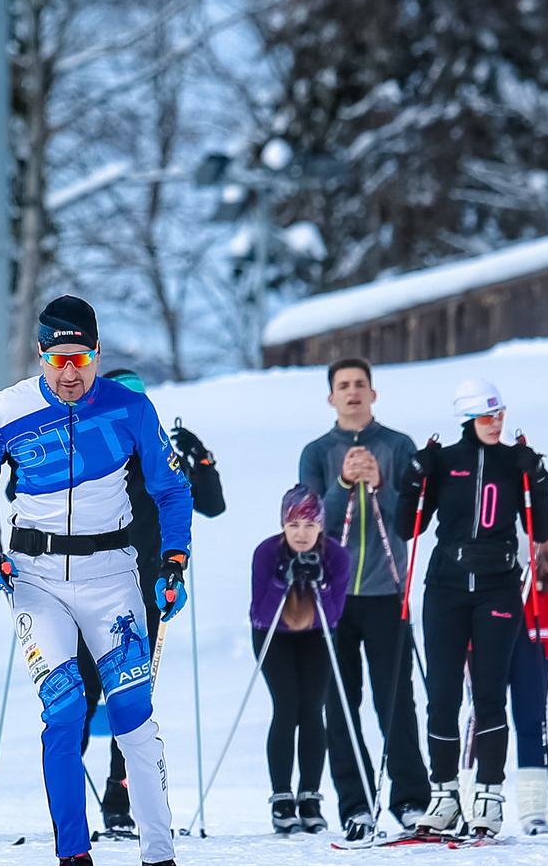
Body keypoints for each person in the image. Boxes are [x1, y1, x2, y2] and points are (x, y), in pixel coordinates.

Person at [0, 294, 200, 866]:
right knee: (63, 716)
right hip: (36, 578)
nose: (70, 372)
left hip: (114, 576)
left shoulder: (129, 407)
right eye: (59, 358)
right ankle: (74, 864)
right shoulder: (8, 410)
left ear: (97, 355)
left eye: (82, 358)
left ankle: (160, 863)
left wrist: (174, 563)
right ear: (41, 356)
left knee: (135, 717)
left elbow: (173, 491)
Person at [408, 376, 548, 838]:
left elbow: (541, 530)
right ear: (467, 418)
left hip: (497, 586)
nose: (496, 423)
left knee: (491, 694)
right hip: (446, 586)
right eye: (487, 416)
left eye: (500, 414)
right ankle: (445, 792)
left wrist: (539, 480)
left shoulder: (514, 462)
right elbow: (407, 527)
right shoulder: (446, 461)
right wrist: (415, 476)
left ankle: (488, 795)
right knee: (443, 695)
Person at [85, 369, 227, 838]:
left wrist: (200, 457)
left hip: (143, 592)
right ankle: (65, 799)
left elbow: (209, 504)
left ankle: (118, 798)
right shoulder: (90, 448)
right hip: (85, 589)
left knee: (129, 698)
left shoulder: (155, 453)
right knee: (80, 695)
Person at [300, 356, 431, 840]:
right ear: (331, 398)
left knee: (396, 701)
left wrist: (380, 484)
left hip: (385, 590)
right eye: (343, 385)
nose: (352, 392)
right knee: (340, 703)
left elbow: (412, 523)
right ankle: (355, 806)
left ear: (373, 394)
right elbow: (309, 526)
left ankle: (411, 801)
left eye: (360, 384)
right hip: (332, 597)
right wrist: (341, 484)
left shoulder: (398, 446)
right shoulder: (316, 452)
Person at [248, 487, 355, 833]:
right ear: (283, 524)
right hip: (274, 634)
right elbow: (261, 613)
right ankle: (282, 797)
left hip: (317, 632)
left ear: (321, 526)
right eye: (294, 524)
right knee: (286, 705)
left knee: (312, 708)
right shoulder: (267, 552)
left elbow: (335, 614)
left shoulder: (336, 556)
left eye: (310, 525)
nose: (301, 533)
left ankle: (309, 797)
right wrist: (284, 579)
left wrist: (319, 584)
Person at [510, 527, 548, 834]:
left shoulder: (542, 498)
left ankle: (534, 809)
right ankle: (474, 803)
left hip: (537, 617)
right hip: (488, 612)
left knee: (532, 716)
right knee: (480, 715)